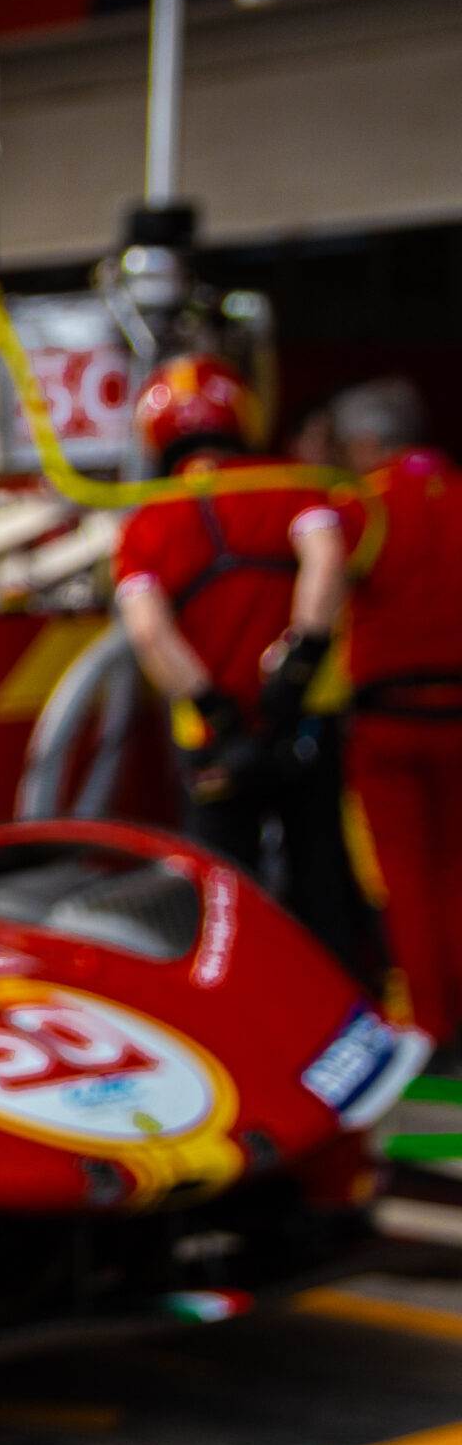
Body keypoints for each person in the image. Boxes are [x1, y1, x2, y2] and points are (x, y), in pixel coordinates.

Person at [111, 355, 367, 964]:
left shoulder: (146, 522)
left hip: (213, 743)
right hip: (306, 725)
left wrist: (211, 705)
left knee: (224, 903)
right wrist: (301, 660)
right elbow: (326, 560)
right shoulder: (293, 486)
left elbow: (148, 629)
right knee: (324, 885)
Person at [320, 376, 462, 1041]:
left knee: (402, 874)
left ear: (367, 441)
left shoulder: (360, 507)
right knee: (455, 864)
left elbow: (323, 592)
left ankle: (427, 1027)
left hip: (389, 719)